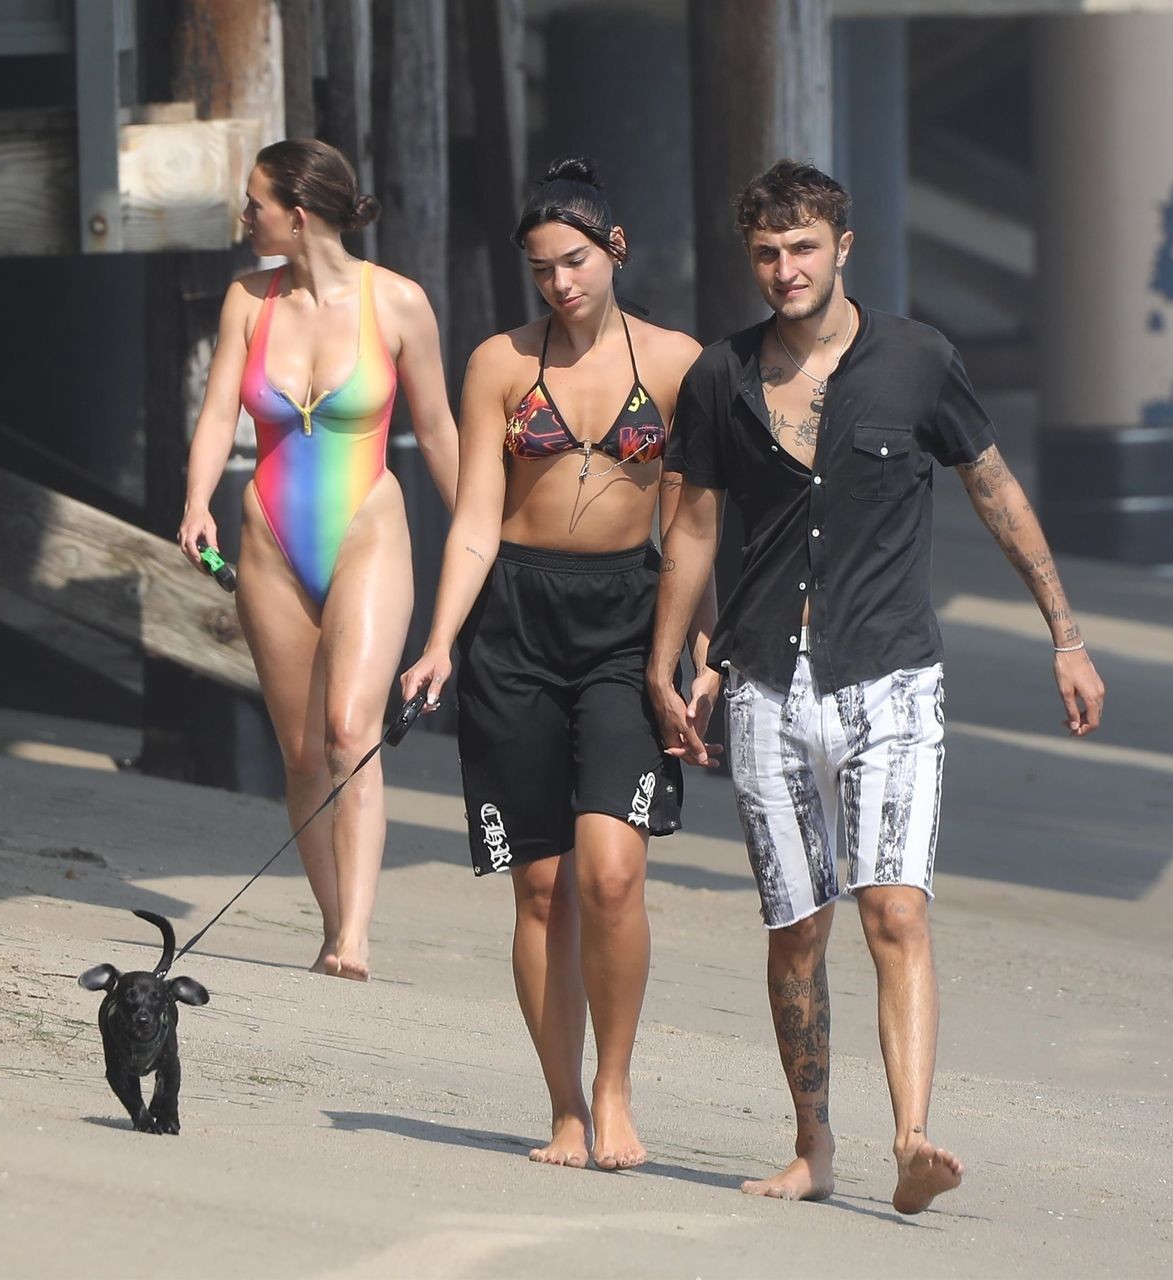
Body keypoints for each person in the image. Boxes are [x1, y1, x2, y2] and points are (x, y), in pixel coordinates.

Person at [649, 160, 1106, 1211]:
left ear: (843, 247)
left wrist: (1066, 634)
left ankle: (912, 1137)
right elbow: (695, 528)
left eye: (803, 248)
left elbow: (994, 488)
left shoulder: (918, 359)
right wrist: (666, 662)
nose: (786, 269)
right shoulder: (720, 376)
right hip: (766, 686)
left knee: (895, 909)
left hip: (893, 678)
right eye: (767, 253)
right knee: (796, 928)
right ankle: (813, 1146)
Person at [399, 158, 717, 1170]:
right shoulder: (499, 362)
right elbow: (474, 522)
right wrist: (438, 642)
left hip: (628, 622)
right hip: (516, 624)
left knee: (612, 873)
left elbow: (693, 524)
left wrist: (701, 650)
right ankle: (566, 1108)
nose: (559, 283)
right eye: (541, 269)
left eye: (574, 261)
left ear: (614, 250)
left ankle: (616, 1090)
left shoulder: (677, 362)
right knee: (541, 887)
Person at [178, 139, 458, 982]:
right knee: (302, 754)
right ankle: (332, 922)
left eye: (255, 204)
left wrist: (485, 539)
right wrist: (196, 502)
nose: (244, 217)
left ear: (297, 216)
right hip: (268, 536)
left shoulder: (397, 302)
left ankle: (357, 938)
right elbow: (217, 411)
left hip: (368, 529)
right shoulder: (247, 298)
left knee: (348, 732)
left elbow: (437, 430)